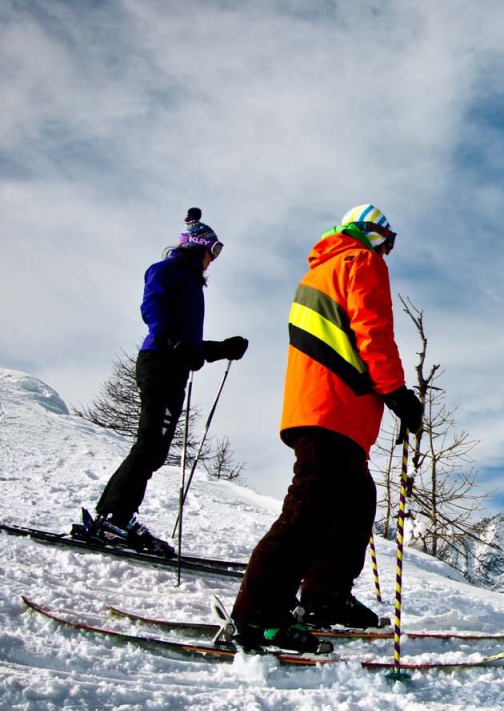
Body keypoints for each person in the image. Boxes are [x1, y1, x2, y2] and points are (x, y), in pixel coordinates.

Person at [228, 204, 423, 653]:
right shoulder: (361, 261)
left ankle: (324, 598)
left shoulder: (318, 273)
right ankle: (257, 615)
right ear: (373, 234)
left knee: (355, 503)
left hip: (324, 407)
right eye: (389, 242)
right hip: (334, 407)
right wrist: (397, 393)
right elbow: (373, 329)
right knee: (309, 510)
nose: (388, 253)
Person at [78, 208, 248, 555]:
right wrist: (172, 341)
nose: (213, 260)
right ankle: (113, 519)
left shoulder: (193, 284)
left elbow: (189, 346)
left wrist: (222, 349)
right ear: (197, 247)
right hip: (159, 363)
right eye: (212, 251)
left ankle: (116, 517)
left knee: (155, 450)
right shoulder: (166, 271)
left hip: (173, 369)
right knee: (149, 446)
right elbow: (152, 309)